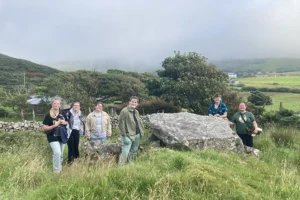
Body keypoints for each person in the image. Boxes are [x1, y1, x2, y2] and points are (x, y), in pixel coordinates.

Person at [42, 98, 68, 173]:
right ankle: (56, 172)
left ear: (60, 105)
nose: (56, 105)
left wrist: (64, 122)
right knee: (57, 152)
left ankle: (60, 170)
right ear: (52, 105)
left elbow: (67, 123)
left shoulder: (63, 113)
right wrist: (55, 125)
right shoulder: (48, 115)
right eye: (55, 103)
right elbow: (45, 128)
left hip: (62, 136)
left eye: (58, 104)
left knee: (61, 154)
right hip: (52, 136)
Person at [118, 96, 144, 166]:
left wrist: (141, 132)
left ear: (137, 104)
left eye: (135, 102)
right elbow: (121, 124)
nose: (134, 103)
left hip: (137, 134)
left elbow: (139, 122)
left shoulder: (136, 112)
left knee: (133, 151)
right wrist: (124, 135)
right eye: (132, 101)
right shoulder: (124, 111)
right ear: (129, 102)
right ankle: (121, 166)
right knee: (125, 152)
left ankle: (130, 165)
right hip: (128, 135)